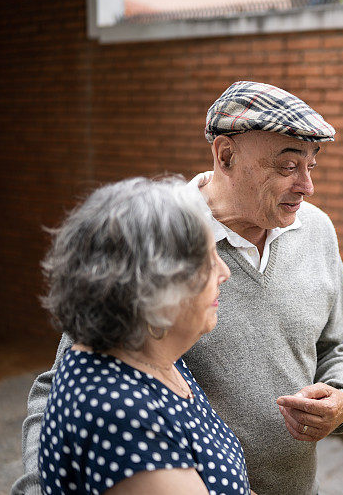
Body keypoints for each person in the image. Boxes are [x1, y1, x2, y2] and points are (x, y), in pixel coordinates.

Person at [14, 81, 343, 495]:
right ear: (226, 155)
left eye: (312, 166)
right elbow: (65, 388)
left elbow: (340, 345)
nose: (307, 187)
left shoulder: (317, 230)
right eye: (288, 167)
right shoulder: (156, 240)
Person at [35, 177, 251, 494]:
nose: (224, 272)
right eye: (206, 260)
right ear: (154, 286)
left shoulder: (156, 359)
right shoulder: (121, 415)